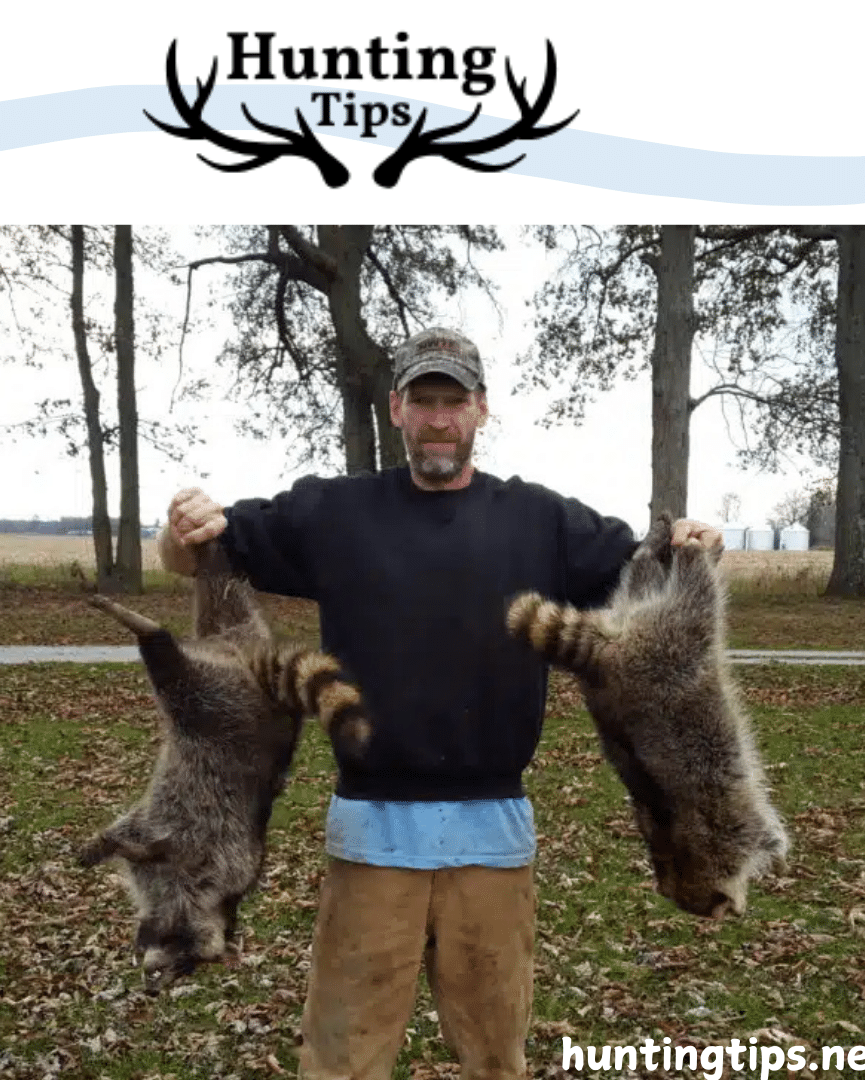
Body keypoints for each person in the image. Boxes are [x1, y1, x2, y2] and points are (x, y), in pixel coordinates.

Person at [159, 327, 724, 1080]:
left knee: (496, 1055)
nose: (437, 419)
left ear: (480, 410)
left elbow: (645, 578)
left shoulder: (543, 522)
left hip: (493, 837)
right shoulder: (335, 513)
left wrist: (693, 545)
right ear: (396, 408)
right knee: (341, 1059)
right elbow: (199, 553)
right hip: (372, 837)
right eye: (421, 401)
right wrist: (179, 531)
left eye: (452, 401)